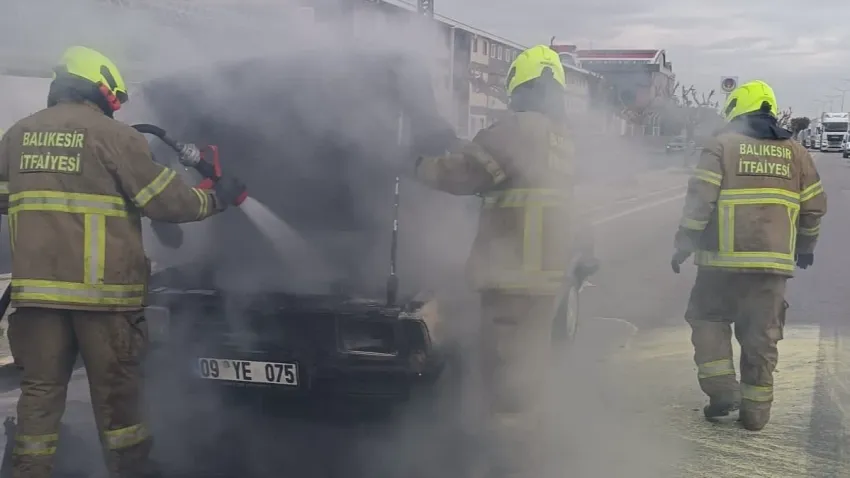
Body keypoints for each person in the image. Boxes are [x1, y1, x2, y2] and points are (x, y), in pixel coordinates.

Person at [0, 45, 245, 478]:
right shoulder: (116, 137)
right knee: (118, 400)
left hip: (37, 299)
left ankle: (27, 472)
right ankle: (131, 471)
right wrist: (216, 199)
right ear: (102, 88)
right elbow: (167, 202)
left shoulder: (18, 134)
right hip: (104, 299)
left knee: (39, 396)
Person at [397, 45, 596, 477]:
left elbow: (461, 174)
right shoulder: (563, 138)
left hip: (513, 280)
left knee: (509, 390)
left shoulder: (515, 130)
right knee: (529, 375)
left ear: (520, 87)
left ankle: (511, 467)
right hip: (545, 279)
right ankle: (528, 457)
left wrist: (411, 164)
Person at [671, 79, 827, 431]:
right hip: (771, 268)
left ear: (737, 108)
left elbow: (699, 201)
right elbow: (813, 207)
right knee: (762, 335)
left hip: (719, 264)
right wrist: (805, 248)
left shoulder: (720, 146)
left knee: (708, 318)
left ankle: (723, 391)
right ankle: (756, 415)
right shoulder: (796, 152)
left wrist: (684, 243)